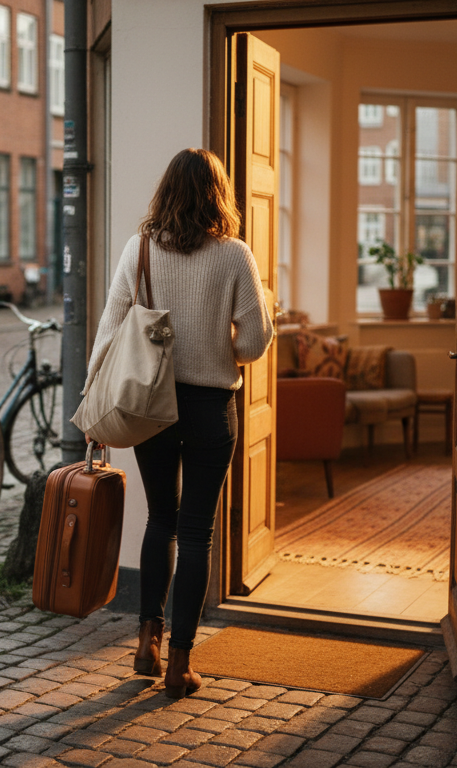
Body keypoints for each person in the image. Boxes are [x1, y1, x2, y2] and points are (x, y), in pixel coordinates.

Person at [85, 148, 274, 698]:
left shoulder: (138, 249)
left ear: (166, 191)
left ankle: (147, 641)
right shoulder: (236, 255)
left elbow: (109, 329)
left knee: (160, 520)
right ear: (220, 194)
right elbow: (255, 343)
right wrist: (245, 320)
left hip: (150, 406)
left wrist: (92, 405)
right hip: (211, 409)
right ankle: (181, 666)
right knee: (197, 533)